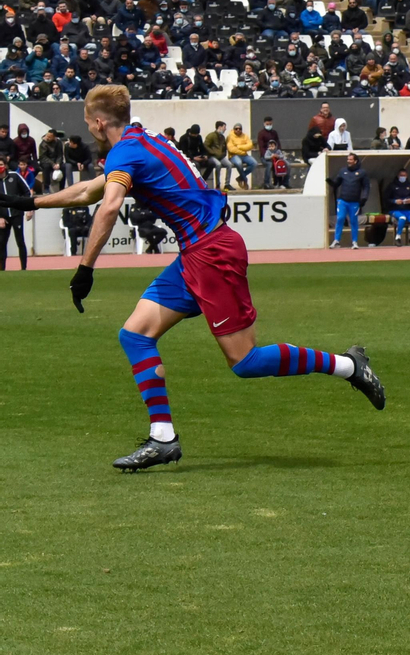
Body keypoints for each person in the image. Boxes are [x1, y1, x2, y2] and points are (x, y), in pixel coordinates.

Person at [0, 86, 384, 471]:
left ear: (99, 123)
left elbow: (109, 206)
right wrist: (28, 202)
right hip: (195, 254)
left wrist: (85, 268)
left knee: (245, 361)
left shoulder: (125, 152)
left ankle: (348, 365)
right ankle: (163, 438)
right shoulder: (142, 141)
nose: (89, 130)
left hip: (212, 253)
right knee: (135, 334)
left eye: (88, 123)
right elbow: (89, 191)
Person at [328, 152, 368, 248]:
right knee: (340, 218)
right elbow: (336, 183)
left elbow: (366, 187)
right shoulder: (342, 171)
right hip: (343, 200)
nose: (348, 161)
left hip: (354, 202)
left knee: (353, 221)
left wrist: (364, 198)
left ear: (355, 161)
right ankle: (336, 240)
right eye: (348, 159)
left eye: (350, 159)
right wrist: (330, 181)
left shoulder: (362, 173)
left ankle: (354, 242)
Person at [0, 159, 30, 270]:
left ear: (5, 165)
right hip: (3, 217)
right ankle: (2, 269)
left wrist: (28, 208)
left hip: (16, 214)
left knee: (20, 241)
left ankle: (23, 268)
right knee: (1, 243)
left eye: (1, 164)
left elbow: (26, 192)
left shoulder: (15, 176)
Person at [226, 122, 256, 189]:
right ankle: (245, 179)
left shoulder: (245, 136)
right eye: (236, 129)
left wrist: (239, 146)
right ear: (234, 129)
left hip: (244, 155)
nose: (238, 130)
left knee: (254, 163)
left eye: (240, 129)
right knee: (239, 163)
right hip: (233, 156)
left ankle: (240, 178)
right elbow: (231, 149)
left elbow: (250, 145)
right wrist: (243, 150)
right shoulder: (230, 136)